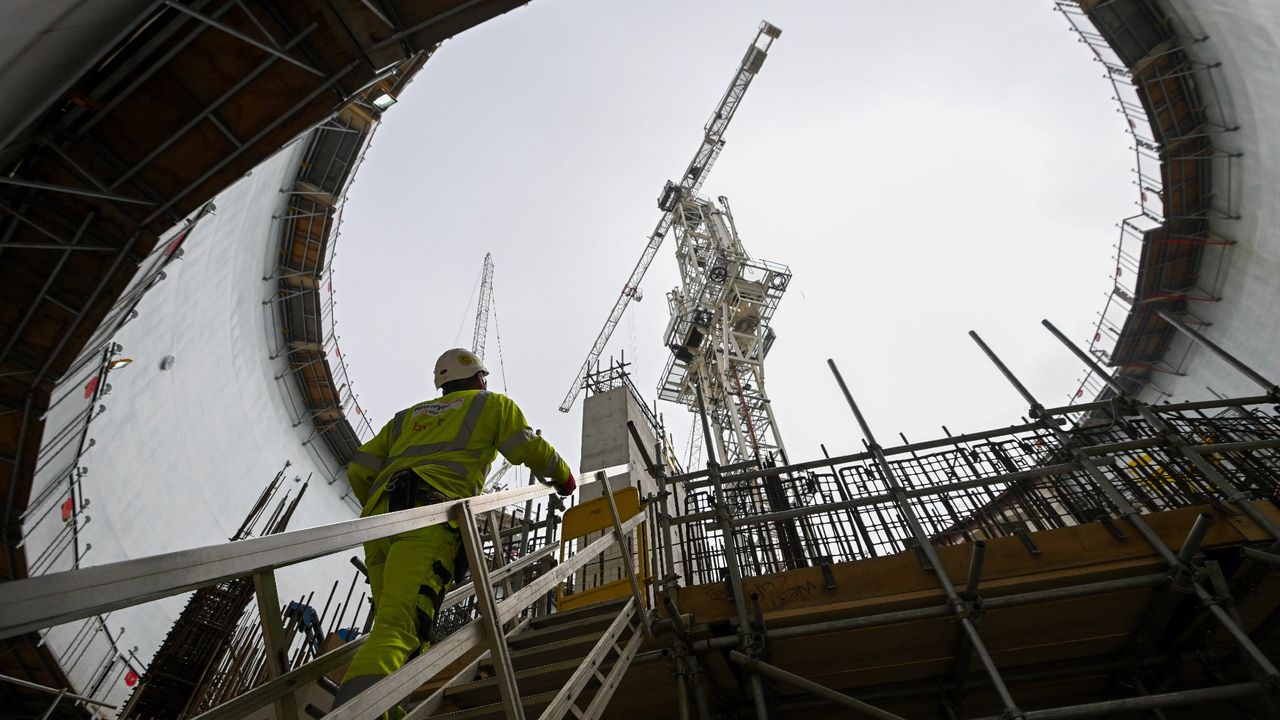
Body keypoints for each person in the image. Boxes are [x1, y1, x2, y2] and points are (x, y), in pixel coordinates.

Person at [332, 348, 576, 712]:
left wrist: (385, 507)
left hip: (380, 523)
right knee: (400, 629)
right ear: (479, 378)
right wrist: (564, 477)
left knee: (395, 629)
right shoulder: (491, 405)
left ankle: (390, 711)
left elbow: (359, 470)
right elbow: (525, 446)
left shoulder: (405, 418)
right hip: (429, 519)